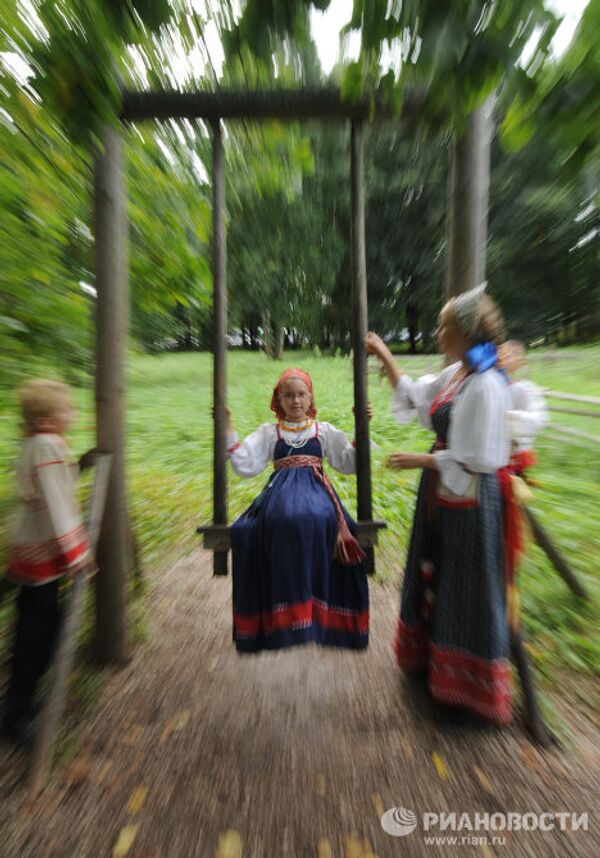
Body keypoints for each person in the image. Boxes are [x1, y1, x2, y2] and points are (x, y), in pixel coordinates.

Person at [366, 285, 513, 725]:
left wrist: (422, 460)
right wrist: (386, 358)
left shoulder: (486, 384)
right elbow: (418, 398)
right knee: (437, 570)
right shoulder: (456, 376)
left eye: (444, 325)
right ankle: (433, 666)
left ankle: (468, 691)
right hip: (443, 491)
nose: (437, 331)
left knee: (465, 583)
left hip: (470, 500)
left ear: (465, 331)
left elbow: (480, 459)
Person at [226, 368, 369, 654]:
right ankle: (290, 606)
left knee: (320, 518)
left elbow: (348, 463)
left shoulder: (323, 431)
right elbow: (244, 464)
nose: (295, 401)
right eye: (288, 395)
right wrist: (227, 428)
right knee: (280, 519)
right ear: (278, 400)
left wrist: (361, 424)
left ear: (310, 397)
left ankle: (315, 605)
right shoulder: (271, 433)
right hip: (280, 492)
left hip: (316, 489)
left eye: (301, 394)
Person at [1, 379, 95, 746]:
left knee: (35, 626)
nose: (71, 414)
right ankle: (17, 714)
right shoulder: (47, 445)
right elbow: (58, 502)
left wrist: (80, 465)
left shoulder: (36, 444)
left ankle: (22, 700)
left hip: (27, 546)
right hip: (42, 548)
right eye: (66, 409)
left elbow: (51, 483)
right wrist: (77, 554)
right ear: (46, 417)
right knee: (36, 634)